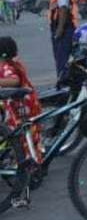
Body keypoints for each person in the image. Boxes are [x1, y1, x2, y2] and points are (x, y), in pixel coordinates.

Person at [0, 36, 43, 168]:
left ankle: (24, 163)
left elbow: (14, 80)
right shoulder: (14, 63)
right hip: (29, 103)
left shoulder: (6, 66)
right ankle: (33, 158)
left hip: (20, 106)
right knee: (30, 134)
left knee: (19, 134)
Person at [46, 0, 77, 79]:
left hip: (64, 29)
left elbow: (63, 9)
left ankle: (64, 82)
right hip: (63, 27)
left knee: (62, 58)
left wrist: (60, 29)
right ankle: (65, 80)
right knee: (61, 57)